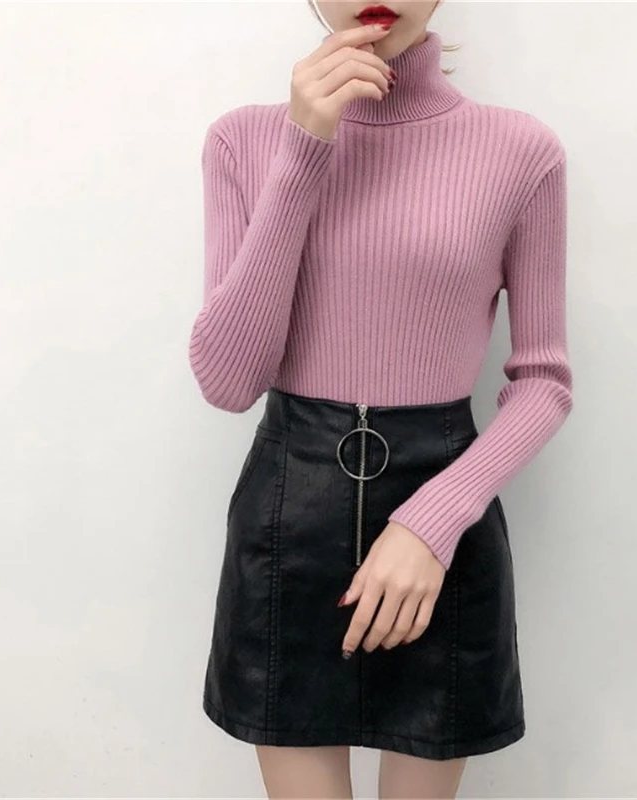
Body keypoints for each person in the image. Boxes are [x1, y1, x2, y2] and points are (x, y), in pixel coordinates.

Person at [188, 1, 573, 797]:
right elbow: (227, 381)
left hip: (442, 518)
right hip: (289, 514)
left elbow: (543, 380)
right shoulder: (242, 141)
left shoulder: (520, 150)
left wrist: (433, 522)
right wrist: (304, 148)